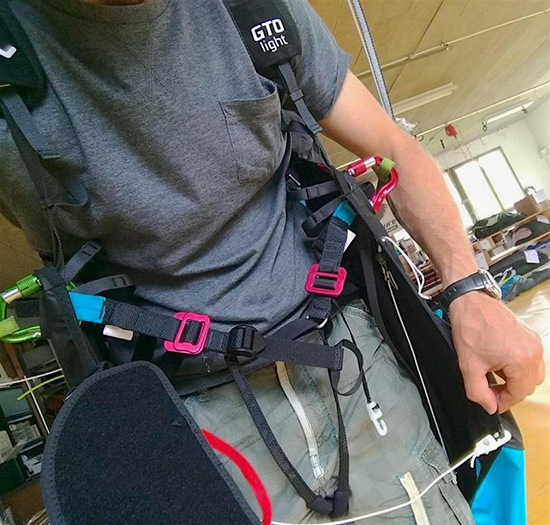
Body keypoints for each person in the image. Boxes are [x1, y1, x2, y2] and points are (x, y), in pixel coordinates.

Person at [0, 0, 544, 523]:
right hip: (191, 426)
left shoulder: (252, 9)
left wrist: (468, 289)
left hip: (351, 361)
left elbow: (393, 149)